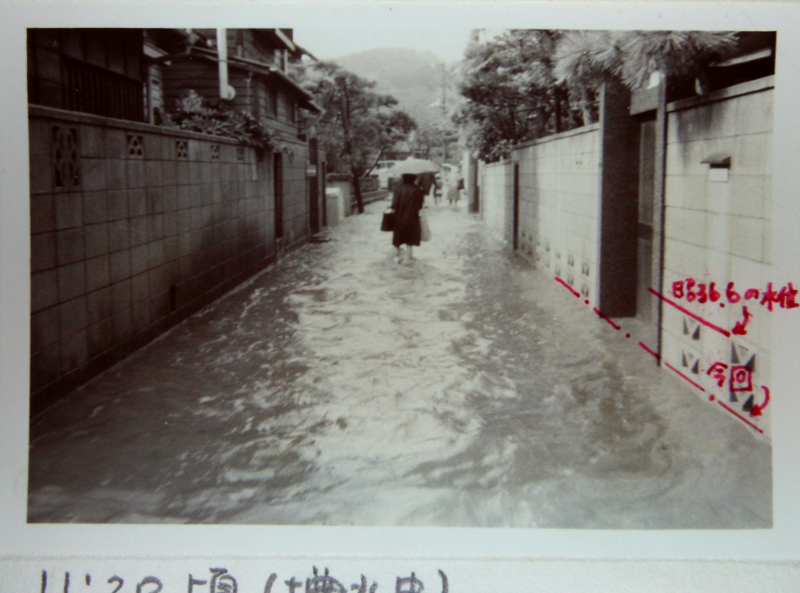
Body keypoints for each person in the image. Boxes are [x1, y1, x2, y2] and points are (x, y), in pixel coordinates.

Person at [391, 173, 424, 264]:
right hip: (412, 219)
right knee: (409, 244)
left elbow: (394, 205)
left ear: (403, 178)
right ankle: (407, 260)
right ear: (414, 178)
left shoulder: (398, 188)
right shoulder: (418, 189)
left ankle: (395, 262)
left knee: (397, 243)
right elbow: (420, 205)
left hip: (399, 219)